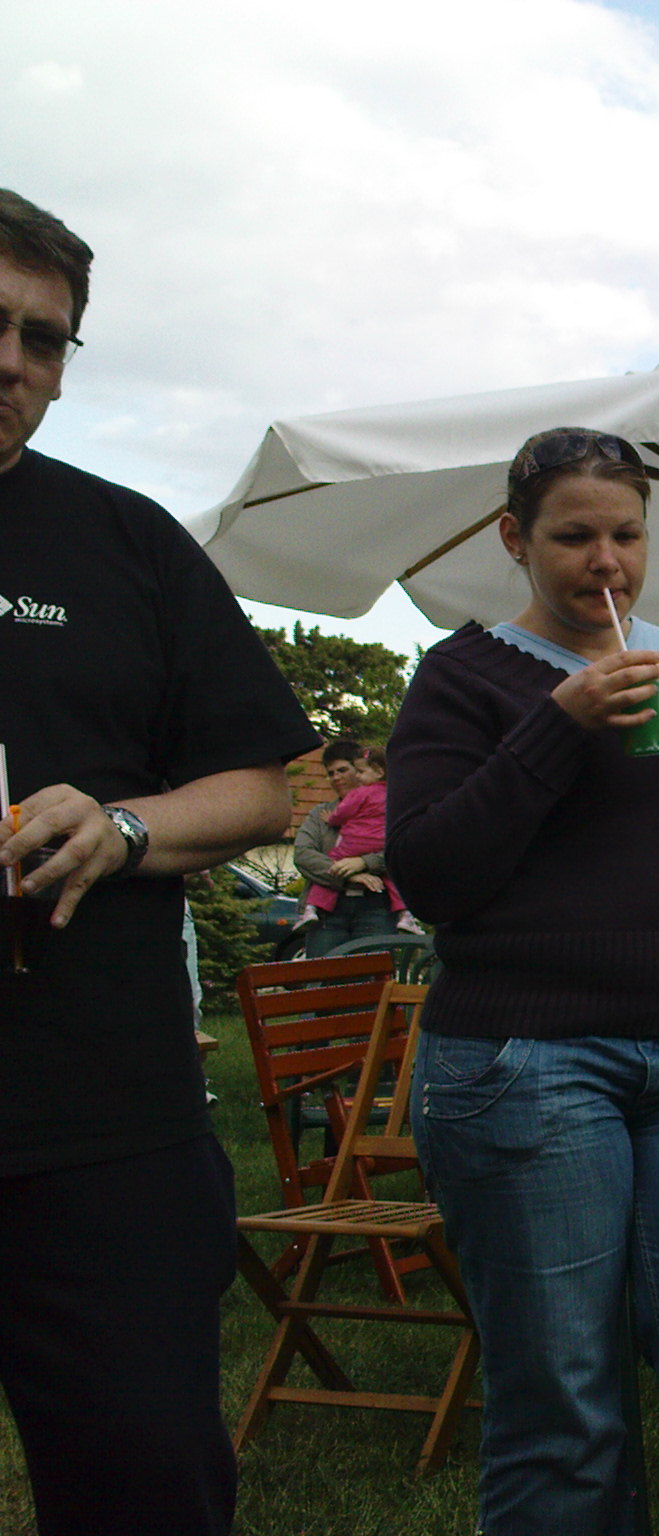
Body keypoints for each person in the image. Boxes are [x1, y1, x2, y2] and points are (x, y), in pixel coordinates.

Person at [387, 427, 659, 1536]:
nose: (606, 562)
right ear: (514, 539)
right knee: (563, 1409)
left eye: (626, 535)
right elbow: (431, 875)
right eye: (574, 537)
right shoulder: (463, 677)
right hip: (525, 1057)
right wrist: (558, 727)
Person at [0, 189, 318, 1536]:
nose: (13, 363)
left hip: (101, 1120)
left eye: (44, 339)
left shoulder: (124, 541)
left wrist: (125, 827)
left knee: (145, 1483)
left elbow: (265, 783)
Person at [294, 738, 399, 954]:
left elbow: (402, 851)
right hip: (327, 909)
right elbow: (303, 855)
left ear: (364, 770)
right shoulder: (321, 815)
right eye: (331, 773)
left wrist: (364, 862)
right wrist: (348, 874)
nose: (336, 778)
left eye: (342, 770)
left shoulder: (391, 809)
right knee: (325, 971)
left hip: (377, 906)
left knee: (371, 972)